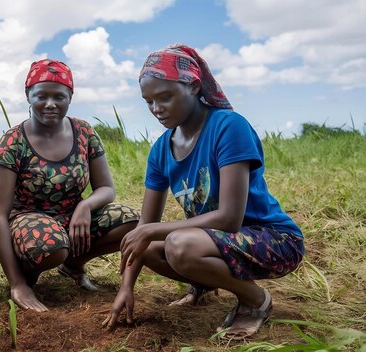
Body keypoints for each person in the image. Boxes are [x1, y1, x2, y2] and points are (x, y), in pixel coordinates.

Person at [102, 44, 305, 339]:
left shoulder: (228, 127)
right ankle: (204, 282)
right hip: (220, 242)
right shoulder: (161, 149)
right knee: (150, 245)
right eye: (148, 101)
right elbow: (144, 230)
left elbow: (230, 219)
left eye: (165, 97)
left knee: (177, 245)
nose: (156, 109)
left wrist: (150, 231)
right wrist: (126, 287)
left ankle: (255, 301)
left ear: (194, 86)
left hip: (274, 240)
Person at [0, 59, 140, 312]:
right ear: (28, 96)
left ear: (70, 96)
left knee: (133, 223)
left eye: (59, 96)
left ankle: (73, 265)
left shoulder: (84, 132)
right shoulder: (13, 141)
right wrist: (16, 284)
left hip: (74, 217)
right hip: (29, 219)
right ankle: (27, 274)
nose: (50, 104)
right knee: (52, 246)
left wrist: (85, 207)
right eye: (41, 96)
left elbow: (106, 189)